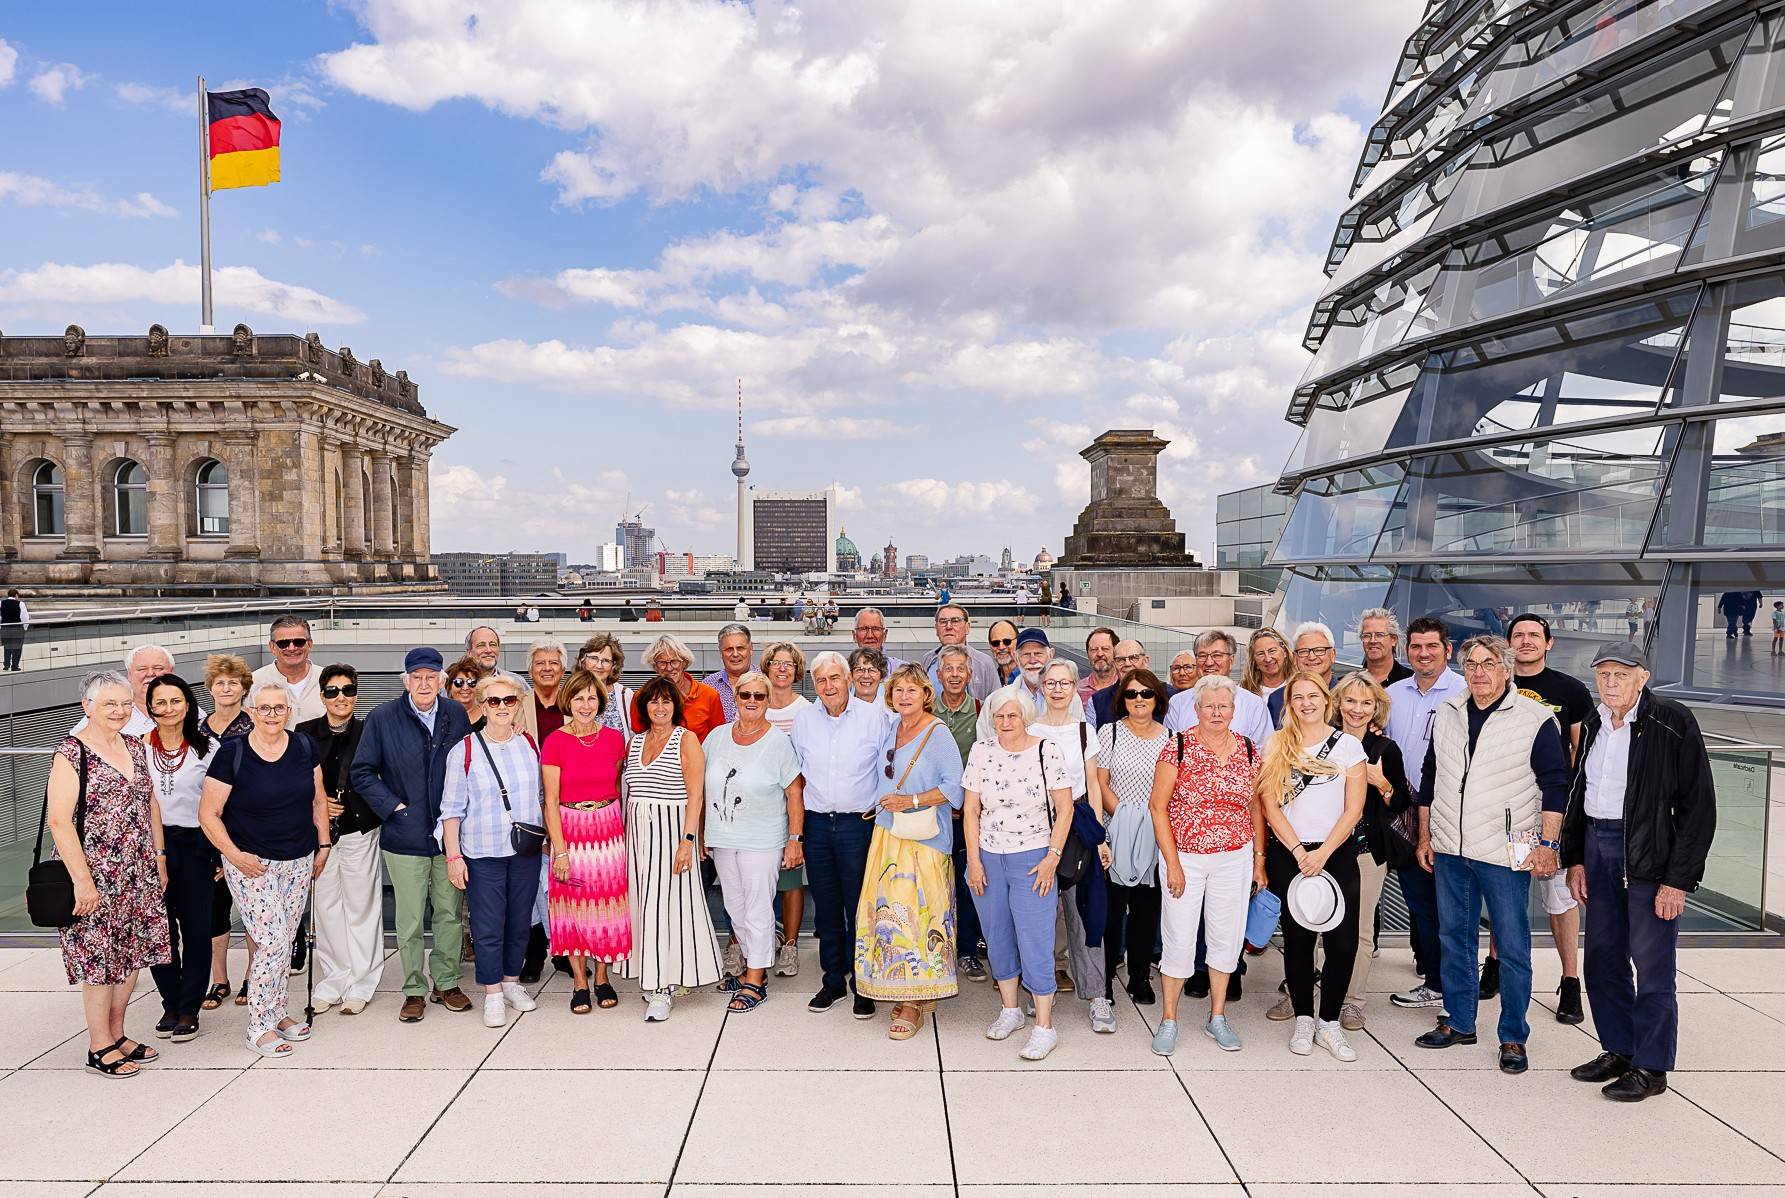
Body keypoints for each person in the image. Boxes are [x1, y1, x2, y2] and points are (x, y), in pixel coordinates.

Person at [1564, 641, 1717, 1102]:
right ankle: (1619, 1048)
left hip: (1648, 858)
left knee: (1652, 967)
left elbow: (1699, 807)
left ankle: (1651, 1067)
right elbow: (1578, 794)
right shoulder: (1592, 723)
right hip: (1597, 845)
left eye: (1621, 674)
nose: (1610, 682)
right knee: (1604, 960)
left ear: (1642, 677)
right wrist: (1576, 858)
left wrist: (1677, 880)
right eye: (1604, 674)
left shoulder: (1671, 721)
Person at [1413, 635, 1569, 1074]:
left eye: (1488, 663)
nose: (1479, 671)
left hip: (1505, 848)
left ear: (1506, 669)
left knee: (1513, 946)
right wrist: (1426, 836)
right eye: (1471, 664)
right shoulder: (1448, 712)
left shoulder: (1535, 718)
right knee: (1454, 939)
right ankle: (1461, 1021)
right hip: (1451, 848)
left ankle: (1513, 1036)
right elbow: (1431, 777)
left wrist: (1549, 844)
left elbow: (1556, 785)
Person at [49, 672, 172, 1077]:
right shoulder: (71, 753)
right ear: (87, 705)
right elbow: (60, 822)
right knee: (99, 961)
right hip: (94, 873)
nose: (119, 711)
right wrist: (82, 882)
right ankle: (98, 1046)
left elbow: (149, 802)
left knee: (131, 955)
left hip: (137, 869)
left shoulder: (134, 746)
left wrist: (159, 856)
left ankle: (118, 1035)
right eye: (109, 704)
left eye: (124, 703)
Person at [201, 679, 330, 1057]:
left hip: (299, 858)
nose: (272, 715)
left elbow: (318, 800)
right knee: (272, 940)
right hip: (251, 863)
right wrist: (234, 855)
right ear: (252, 711)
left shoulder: (305, 747)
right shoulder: (231, 753)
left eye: (279, 708)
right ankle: (258, 1025)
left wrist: (322, 845)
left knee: (285, 940)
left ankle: (277, 1012)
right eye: (264, 708)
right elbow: (208, 814)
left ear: (289, 711)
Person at [352, 647, 475, 1022]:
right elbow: (362, 772)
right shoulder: (383, 717)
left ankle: (447, 982)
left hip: (448, 837)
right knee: (408, 920)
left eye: (431, 676)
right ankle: (413, 988)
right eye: (417, 677)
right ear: (406, 681)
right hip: (404, 837)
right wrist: (394, 808)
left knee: (449, 914)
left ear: (442, 680)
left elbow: (469, 765)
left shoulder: (455, 714)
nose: (425, 683)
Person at [1147, 674, 1262, 1056]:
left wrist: (1259, 859)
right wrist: (1173, 863)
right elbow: (1158, 808)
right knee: (1178, 937)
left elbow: (1255, 807)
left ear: (1234, 710)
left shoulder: (1248, 750)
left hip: (1234, 857)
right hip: (1187, 858)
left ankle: (1217, 1017)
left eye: (1223, 706)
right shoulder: (1176, 747)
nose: (1216, 712)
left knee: (1226, 937)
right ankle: (1169, 1019)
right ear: (1195, 710)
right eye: (1209, 706)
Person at [1258, 671, 1367, 1062]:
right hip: (1291, 852)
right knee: (1299, 940)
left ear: (1326, 700)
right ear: (1289, 704)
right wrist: (1299, 850)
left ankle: (1330, 1022)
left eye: (1313, 695)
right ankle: (1304, 1017)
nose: (1306, 703)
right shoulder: (1276, 745)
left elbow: (1354, 809)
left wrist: (1322, 854)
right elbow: (1269, 805)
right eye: (1298, 697)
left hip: (1335, 853)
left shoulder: (1349, 747)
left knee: (1342, 943)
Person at [963, 684, 1074, 1060]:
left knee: (1035, 940)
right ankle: (1011, 1010)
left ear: (1024, 715)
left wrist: (1052, 857)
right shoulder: (981, 750)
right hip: (989, 858)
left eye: (1012, 715)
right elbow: (972, 810)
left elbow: (1066, 808)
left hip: (1034, 859)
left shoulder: (1046, 749)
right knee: (996, 935)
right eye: (999, 715)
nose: (1006, 722)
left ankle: (1044, 1025)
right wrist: (974, 861)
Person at [856, 664, 966, 1039]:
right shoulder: (893, 728)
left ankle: (913, 1002)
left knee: (921, 916)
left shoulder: (938, 733)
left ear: (926, 694)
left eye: (912, 690)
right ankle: (913, 990)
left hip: (925, 840)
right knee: (889, 918)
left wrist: (911, 800)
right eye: (899, 689)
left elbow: (956, 788)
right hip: (888, 836)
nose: (905, 696)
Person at [1493, 612, 1594, 1023]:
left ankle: (1570, 981)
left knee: (1559, 897)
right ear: (1508, 643)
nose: (1526, 641)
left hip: (1553, 807)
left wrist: (1566, 806)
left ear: (1549, 643)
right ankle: (1495, 965)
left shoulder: (1569, 690)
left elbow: (1580, 751)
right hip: (1510, 806)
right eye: (1518, 635)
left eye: (1534, 635)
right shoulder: (1495, 685)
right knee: (1506, 887)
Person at [439, 671, 544, 1028]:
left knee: (520, 921)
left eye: (509, 700)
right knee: (487, 925)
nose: (501, 707)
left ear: (518, 704)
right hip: (482, 852)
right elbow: (451, 810)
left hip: (525, 851)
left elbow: (541, 798)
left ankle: (512, 982)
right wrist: (454, 857)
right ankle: (493, 992)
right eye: (494, 701)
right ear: (482, 705)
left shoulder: (530, 746)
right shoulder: (464, 750)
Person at [791, 651, 892, 1017]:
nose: (829, 686)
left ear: (848, 679)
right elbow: (796, 777)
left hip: (858, 825)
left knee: (861, 907)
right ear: (813, 684)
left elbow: (890, 769)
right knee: (827, 908)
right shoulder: (804, 721)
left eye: (835, 678)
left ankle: (863, 984)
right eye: (821, 680)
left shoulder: (875, 718)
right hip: (818, 825)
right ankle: (833, 979)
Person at [621, 673, 724, 1018]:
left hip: (672, 834)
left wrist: (688, 841)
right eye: (654, 700)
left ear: (675, 706)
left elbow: (696, 795)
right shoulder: (635, 742)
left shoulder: (687, 739)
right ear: (644, 706)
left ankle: (664, 987)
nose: (660, 707)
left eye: (666, 701)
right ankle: (653, 975)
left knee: (670, 908)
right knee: (645, 907)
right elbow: (629, 793)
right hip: (638, 838)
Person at [704, 670, 805, 1013]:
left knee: (759, 908)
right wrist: (701, 830)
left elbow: (794, 792)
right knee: (735, 907)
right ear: (735, 696)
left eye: (758, 697)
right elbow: (701, 787)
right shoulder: (716, 737)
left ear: (767, 701)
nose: (751, 702)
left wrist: (795, 839)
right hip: (722, 837)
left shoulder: (777, 741)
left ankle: (756, 980)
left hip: (762, 838)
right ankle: (752, 964)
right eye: (745, 695)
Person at [1384, 617, 1464, 1011]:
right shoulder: (1393, 694)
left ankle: (1457, 984)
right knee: (1419, 901)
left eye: (1432, 646)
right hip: (1405, 813)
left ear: (1447, 650)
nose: (1423, 653)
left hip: (1450, 813)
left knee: (1452, 905)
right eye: (1416, 647)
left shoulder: (1465, 691)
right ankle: (1435, 980)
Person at [544, 669, 633, 1014]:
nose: (585, 704)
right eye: (579, 697)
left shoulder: (614, 740)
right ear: (569, 701)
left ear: (600, 702)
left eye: (592, 698)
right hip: (571, 831)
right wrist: (560, 851)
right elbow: (550, 801)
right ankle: (580, 981)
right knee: (574, 907)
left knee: (608, 907)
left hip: (609, 831)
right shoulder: (555, 741)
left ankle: (602, 976)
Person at [1028, 658, 1111, 1030]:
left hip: (1079, 828)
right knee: (1041, 918)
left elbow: (1093, 784)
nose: (1058, 689)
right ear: (1041, 687)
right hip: (1037, 828)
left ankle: (1097, 995)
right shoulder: (1030, 729)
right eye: (1051, 683)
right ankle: (1039, 990)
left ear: (1075, 687)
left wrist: (1099, 836)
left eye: (1065, 683)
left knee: (1085, 915)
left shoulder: (1083, 731)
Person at [1328, 671, 1410, 1031]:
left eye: (1366, 702)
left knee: (1361, 930)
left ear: (1376, 707)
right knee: (1315, 925)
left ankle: (1353, 1001)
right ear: (1338, 703)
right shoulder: (1320, 742)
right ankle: (1308, 991)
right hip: (1323, 850)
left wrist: (1382, 783)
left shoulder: (1384, 749)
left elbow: (1401, 803)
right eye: (1350, 701)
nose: (1357, 709)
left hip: (1365, 852)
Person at [298, 664, 381, 1016]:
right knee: (326, 908)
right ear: (322, 696)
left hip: (360, 829)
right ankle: (333, 980)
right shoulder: (303, 733)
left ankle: (362, 981)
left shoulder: (369, 731)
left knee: (362, 906)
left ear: (356, 695)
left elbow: (381, 775)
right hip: (319, 834)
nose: (340, 697)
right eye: (332, 691)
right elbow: (292, 778)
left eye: (347, 690)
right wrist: (316, 804)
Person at [144, 674, 213, 1044]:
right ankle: (170, 1002)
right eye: (161, 702)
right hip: (151, 846)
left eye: (176, 701)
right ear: (151, 707)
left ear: (187, 704)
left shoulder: (208, 748)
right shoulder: (137, 749)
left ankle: (190, 1008)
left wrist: (219, 852)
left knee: (196, 930)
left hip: (196, 844)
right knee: (159, 929)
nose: (169, 709)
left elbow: (222, 805)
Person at [1096, 667, 1169, 1008]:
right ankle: (1106, 975)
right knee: (1112, 909)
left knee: (1145, 909)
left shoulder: (1171, 739)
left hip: (1155, 835)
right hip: (1115, 832)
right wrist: (1125, 818)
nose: (1139, 699)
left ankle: (1139, 975)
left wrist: (1147, 821)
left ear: (1157, 698)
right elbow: (1099, 781)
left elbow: (1171, 787)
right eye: (1131, 693)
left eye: (1146, 693)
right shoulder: (1108, 733)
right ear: (1122, 699)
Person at [201, 653, 254, 1010]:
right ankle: (219, 979)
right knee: (214, 910)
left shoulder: (255, 726)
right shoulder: (196, 730)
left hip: (247, 829)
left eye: (233, 682)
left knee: (252, 910)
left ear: (243, 688)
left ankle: (254, 973)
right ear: (210, 688)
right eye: (220, 682)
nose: (226, 688)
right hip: (207, 829)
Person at [934, 645, 986, 981]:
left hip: (969, 816)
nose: (954, 675)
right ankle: (938, 949)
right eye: (948, 669)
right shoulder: (925, 711)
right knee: (936, 884)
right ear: (938, 676)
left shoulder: (982, 712)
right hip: (933, 816)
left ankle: (967, 949)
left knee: (969, 884)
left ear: (969, 675)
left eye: (960, 669)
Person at [1165, 632, 1274, 746]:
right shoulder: (1178, 703)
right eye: (1202, 656)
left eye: (1217, 655)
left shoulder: (1254, 704)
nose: (1209, 662)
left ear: (1231, 661)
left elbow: (1264, 753)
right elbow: (1171, 751)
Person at [634, 634, 727, 740]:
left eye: (674, 661)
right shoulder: (641, 697)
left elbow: (718, 738)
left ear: (685, 662)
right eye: (662, 663)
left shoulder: (709, 695)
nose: (669, 668)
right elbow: (640, 736)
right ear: (655, 666)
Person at [73, 644, 169, 737]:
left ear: (171, 672)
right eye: (142, 669)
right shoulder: (107, 715)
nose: (150, 673)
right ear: (129, 675)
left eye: (158, 668)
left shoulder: (182, 712)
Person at [252, 614, 325, 725]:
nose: (291, 648)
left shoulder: (327, 679)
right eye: (283, 643)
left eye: (299, 642)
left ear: (310, 644)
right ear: (272, 647)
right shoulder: (253, 682)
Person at [920, 604, 1001, 699]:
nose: (948, 626)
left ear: (967, 628)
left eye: (955, 621)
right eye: (943, 622)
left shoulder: (984, 663)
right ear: (936, 629)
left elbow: (997, 702)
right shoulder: (928, 660)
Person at [1090, 640, 1178, 727]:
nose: (1127, 664)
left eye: (1133, 658)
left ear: (1145, 661)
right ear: (1114, 664)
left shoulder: (1171, 696)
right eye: (1120, 659)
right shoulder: (1098, 701)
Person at [1268, 622, 1337, 726]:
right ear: (1295, 658)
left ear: (1333, 655)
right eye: (1304, 651)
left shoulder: (1348, 695)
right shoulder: (1278, 699)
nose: (1311, 657)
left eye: (1319, 650)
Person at [578, 633, 633, 739]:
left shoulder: (625, 695)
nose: (599, 666)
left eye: (606, 661)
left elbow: (635, 736)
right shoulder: (572, 693)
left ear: (614, 665)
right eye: (594, 658)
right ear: (583, 661)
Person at [517, 639, 567, 743]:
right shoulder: (515, 705)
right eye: (540, 663)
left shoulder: (575, 704)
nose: (547, 668)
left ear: (563, 671)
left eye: (553, 663)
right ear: (530, 672)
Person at [708, 622, 755, 721]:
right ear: (720, 653)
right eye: (729, 649)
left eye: (740, 648)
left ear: (751, 649)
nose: (735, 654)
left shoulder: (766, 681)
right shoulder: (708, 685)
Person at [1357, 608, 1412, 687]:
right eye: (1366, 635)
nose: (1372, 641)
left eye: (1379, 635)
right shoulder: (1348, 684)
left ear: (1393, 639)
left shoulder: (1411, 682)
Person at [1241, 628, 1292, 700]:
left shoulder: (1299, 686)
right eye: (1260, 654)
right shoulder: (1243, 693)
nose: (1268, 659)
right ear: (1254, 661)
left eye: (1272, 651)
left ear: (1284, 652)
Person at [851, 607, 906, 672]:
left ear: (885, 634)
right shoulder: (844, 671)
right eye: (864, 629)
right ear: (854, 635)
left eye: (876, 629)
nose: (870, 635)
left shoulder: (903, 670)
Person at [1078, 627, 1119, 711]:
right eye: (1094, 650)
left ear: (1116, 653)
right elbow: (1079, 722)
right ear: (1088, 655)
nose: (1100, 654)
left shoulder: (1126, 687)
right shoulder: (1077, 690)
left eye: (1105, 649)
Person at [446, 655, 491, 731]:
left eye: (471, 682)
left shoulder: (489, 714)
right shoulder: (440, 717)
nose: (465, 688)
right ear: (449, 687)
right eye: (459, 682)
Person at [987, 619, 1021, 685]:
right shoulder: (989, 681)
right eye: (995, 643)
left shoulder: (1031, 679)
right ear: (990, 646)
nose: (1001, 647)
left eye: (1007, 642)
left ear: (1018, 641)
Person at [1, 587, 28, 671]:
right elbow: (24, 617)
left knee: (7, 647)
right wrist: (25, 628)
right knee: (17, 648)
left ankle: (6, 665)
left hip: (5, 628)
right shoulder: (20, 604)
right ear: (16, 595)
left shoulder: (1, 603)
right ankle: (15, 666)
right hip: (17, 628)